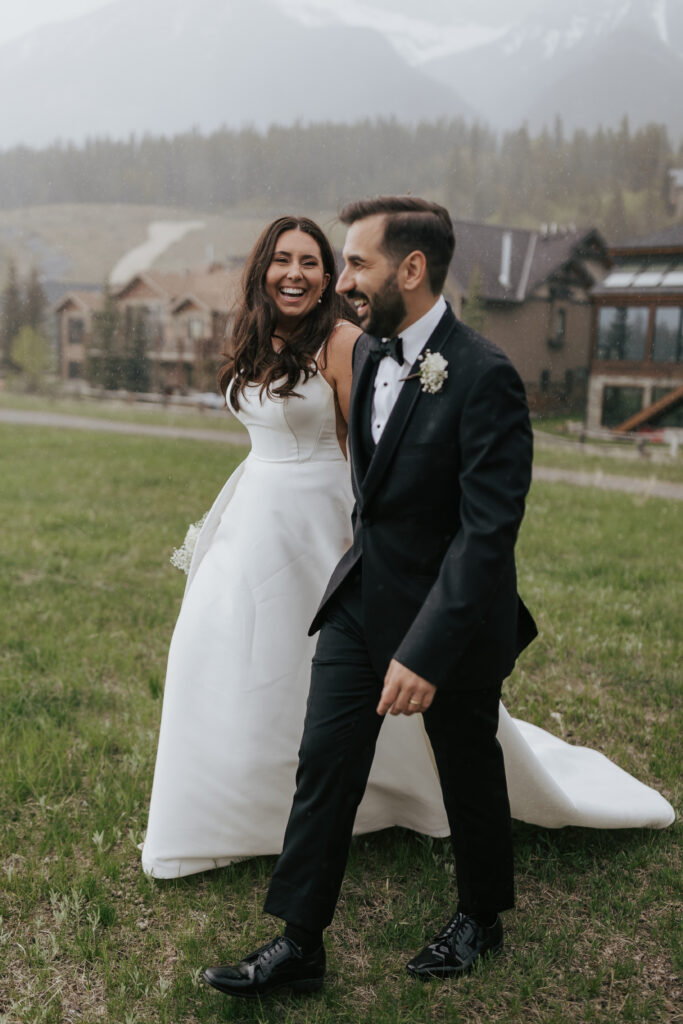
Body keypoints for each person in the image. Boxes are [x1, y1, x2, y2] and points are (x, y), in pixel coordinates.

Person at [201, 197, 674, 1000]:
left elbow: (487, 535)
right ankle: (299, 942)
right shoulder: (367, 356)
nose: (342, 280)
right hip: (359, 601)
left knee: (465, 765)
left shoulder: (484, 374)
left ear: (410, 270)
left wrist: (423, 650)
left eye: (356, 263)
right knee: (324, 762)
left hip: (450, 620)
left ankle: (480, 917)